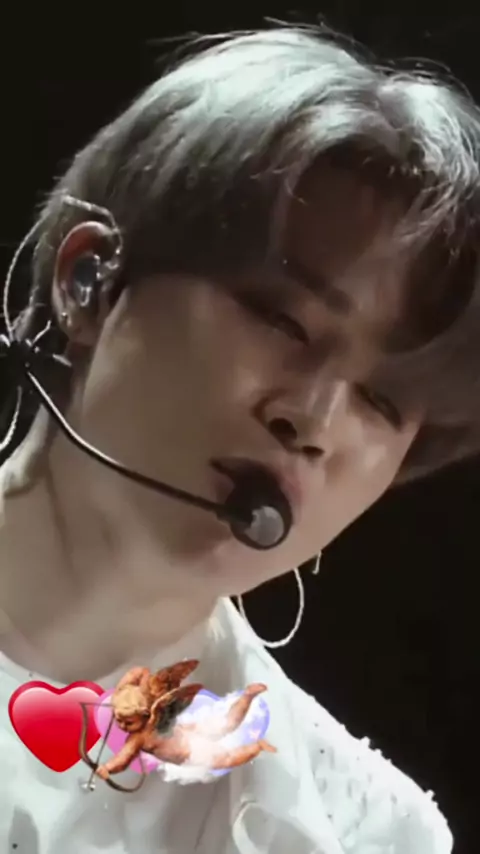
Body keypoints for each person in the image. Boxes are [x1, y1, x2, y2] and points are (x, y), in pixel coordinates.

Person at [0, 24, 479, 854]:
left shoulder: (371, 837)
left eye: (380, 400)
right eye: (280, 320)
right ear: (89, 281)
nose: (313, 420)